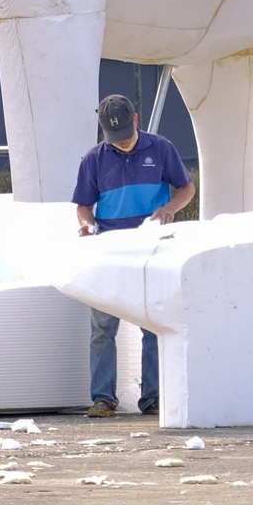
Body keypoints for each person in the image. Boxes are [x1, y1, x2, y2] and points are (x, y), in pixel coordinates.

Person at [72, 94, 195, 418]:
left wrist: (169, 209)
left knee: (153, 323)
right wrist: (86, 226)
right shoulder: (93, 159)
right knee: (102, 327)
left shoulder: (161, 148)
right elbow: (84, 204)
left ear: (137, 120)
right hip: (110, 249)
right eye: (116, 138)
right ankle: (103, 398)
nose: (123, 142)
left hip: (153, 246)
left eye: (126, 134)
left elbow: (187, 188)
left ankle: (152, 397)